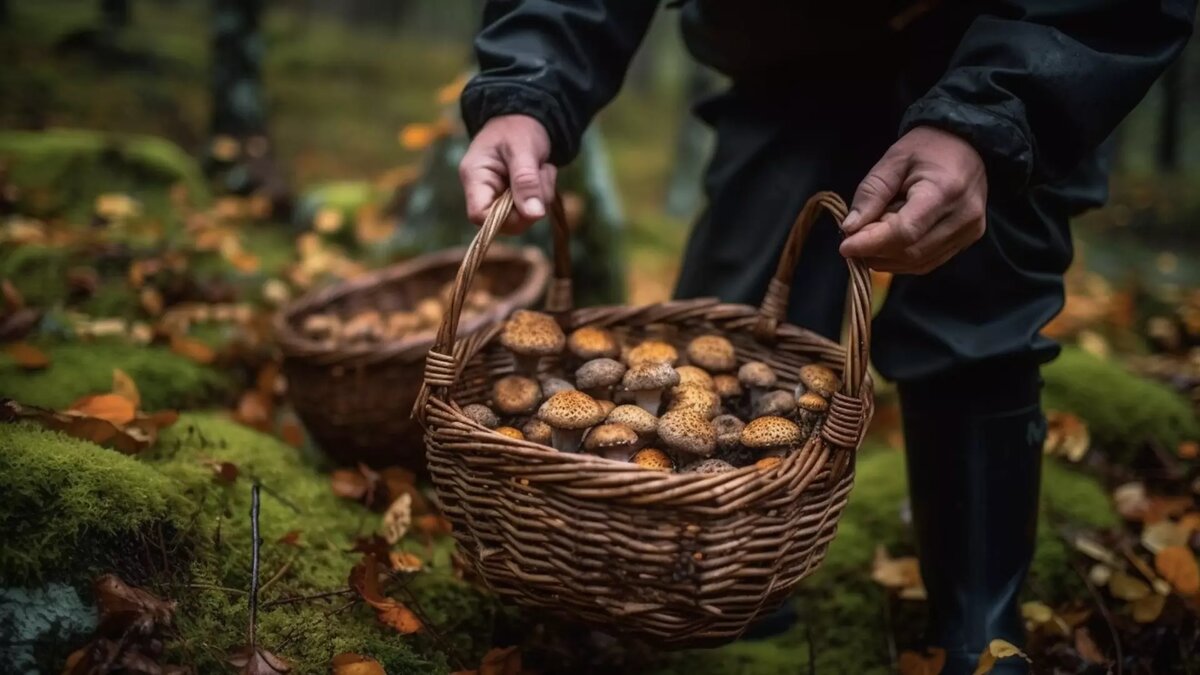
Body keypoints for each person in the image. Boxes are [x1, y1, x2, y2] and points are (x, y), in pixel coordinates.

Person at [455, 2, 1195, 672]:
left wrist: (999, 116)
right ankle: (718, 593)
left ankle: (979, 622)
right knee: (741, 302)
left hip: (1005, 36)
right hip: (783, 42)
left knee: (981, 303)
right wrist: (529, 84)